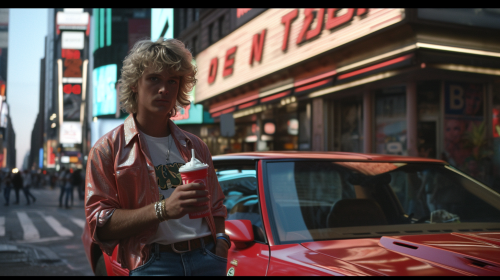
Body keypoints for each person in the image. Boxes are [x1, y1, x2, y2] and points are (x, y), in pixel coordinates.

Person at [84, 38, 229, 276]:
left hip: (207, 257)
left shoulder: (196, 146)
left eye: (172, 81)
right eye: (154, 79)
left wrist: (221, 242)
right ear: (134, 84)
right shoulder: (108, 149)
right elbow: (99, 224)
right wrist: (163, 209)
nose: (164, 89)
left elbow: (216, 205)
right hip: (153, 263)